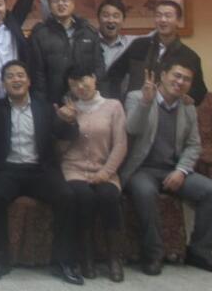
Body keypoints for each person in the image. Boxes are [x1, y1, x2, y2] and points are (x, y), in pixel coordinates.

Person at [120, 60, 212, 276]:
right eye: (176, 76)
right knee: (145, 192)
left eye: (186, 79)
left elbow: (194, 145)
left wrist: (181, 170)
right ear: (163, 75)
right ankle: (154, 253)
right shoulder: (137, 97)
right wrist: (146, 103)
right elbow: (131, 129)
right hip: (142, 169)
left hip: (173, 169)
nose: (180, 82)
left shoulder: (188, 106)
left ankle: (200, 252)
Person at [0, 60, 82, 284]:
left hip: (39, 170)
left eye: (20, 75)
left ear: (29, 81)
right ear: (3, 84)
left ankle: (63, 262)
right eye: (10, 76)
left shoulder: (44, 107)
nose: (16, 79)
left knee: (67, 197)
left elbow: (66, 135)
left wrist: (70, 122)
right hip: (8, 170)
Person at [57, 64, 127, 282]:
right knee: (84, 198)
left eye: (83, 80)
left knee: (109, 196)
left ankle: (114, 258)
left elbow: (121, 144)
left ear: (94, 78)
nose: (80, 86)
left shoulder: (113, 106)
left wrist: (106, 172)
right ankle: (86, 257)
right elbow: (58, 151)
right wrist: (66, 124)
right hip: (73, 169)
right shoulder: (67, 110)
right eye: (74, 84)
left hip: (104, 169)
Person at [108, 0, 207, 106]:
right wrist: (117, 102)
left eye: (168, 16)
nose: (163, 20)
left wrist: (186, 98)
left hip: (170, 111)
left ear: (178, 21)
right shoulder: (139, 45)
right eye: (158, 15)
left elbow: (199, 91)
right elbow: (113, 75)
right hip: (136, 108)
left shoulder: (189, 56)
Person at [29, 0, 103, 105]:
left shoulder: (88, 31)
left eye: (65, 0)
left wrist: (90, 88)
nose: (61, 4)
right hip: (53, 101)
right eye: (55, 1)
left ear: (73, 3)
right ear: (49, 6)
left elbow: (99, 66)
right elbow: (37, 73)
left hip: (86, 99)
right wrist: (42, 102)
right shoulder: (39, 34)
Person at [95, 0, 137, 71]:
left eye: (116, 16)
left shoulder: (131, 43)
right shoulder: (87, 42)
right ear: (98, 18)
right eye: (106, 15)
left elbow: (153, 37)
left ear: (123, 20)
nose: (111, 20)